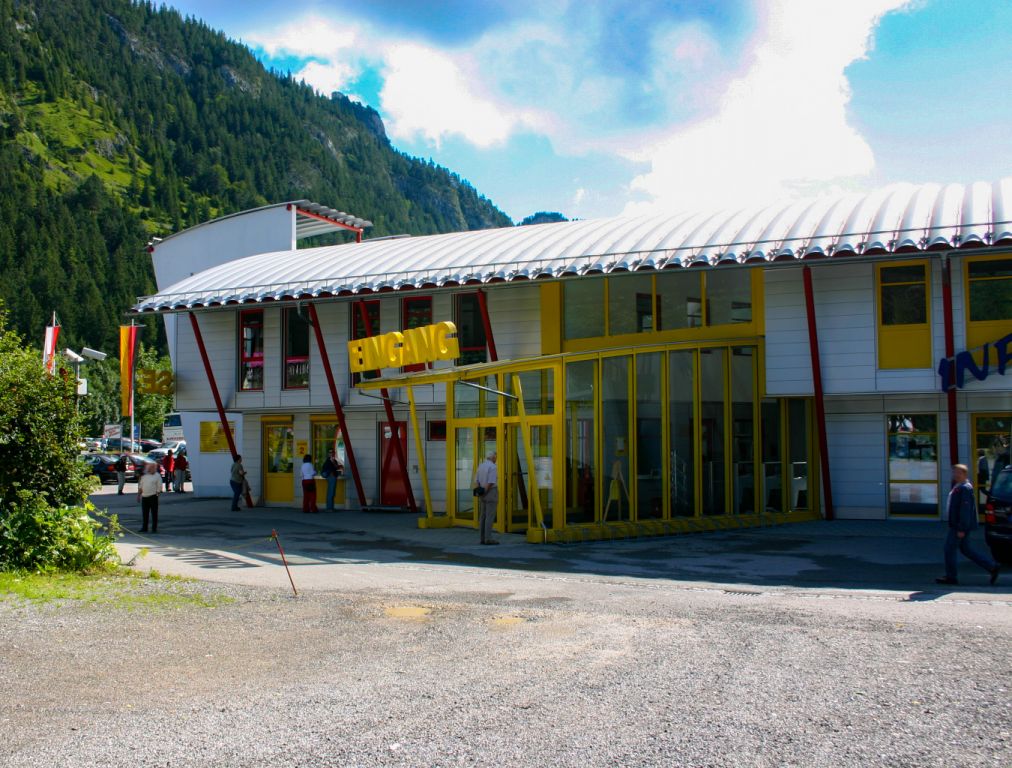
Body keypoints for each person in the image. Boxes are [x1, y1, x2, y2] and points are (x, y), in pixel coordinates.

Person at [937, 464, 1000, 586]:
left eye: (958, 473)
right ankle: (992, 567)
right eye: (954, 472)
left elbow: (965, 510)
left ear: (964, 474)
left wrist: (961, 528)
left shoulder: (965, 488)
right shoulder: (959, 486)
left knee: (949, 550)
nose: (955, 475)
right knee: (966, 549)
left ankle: (951, 577)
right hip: (958, 525)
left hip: (959, 526)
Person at [475, 450, 498, 545]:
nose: (496, 459)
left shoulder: (481, 466)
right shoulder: (493, 467)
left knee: (483, 516)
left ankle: (482, 538)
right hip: (490, 492)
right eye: (495, 457)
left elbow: (476, 480)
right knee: (490, 516)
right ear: (493, 457)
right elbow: (491, 481)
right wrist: (485, 491)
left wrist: (480, 491)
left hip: (481, 492)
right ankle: (488, 538)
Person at [136, 461, 162, 533]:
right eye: (150, 467)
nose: (151, 469)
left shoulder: (157, 476)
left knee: (154, 513)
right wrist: (138, 496)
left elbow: (159, 486)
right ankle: (144, 527)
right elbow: (140, 486)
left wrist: (157, 493)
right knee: (145, 513)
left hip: (153, 496)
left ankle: (154, 528)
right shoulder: (144, 476)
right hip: (144, 497)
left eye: (153, 467)